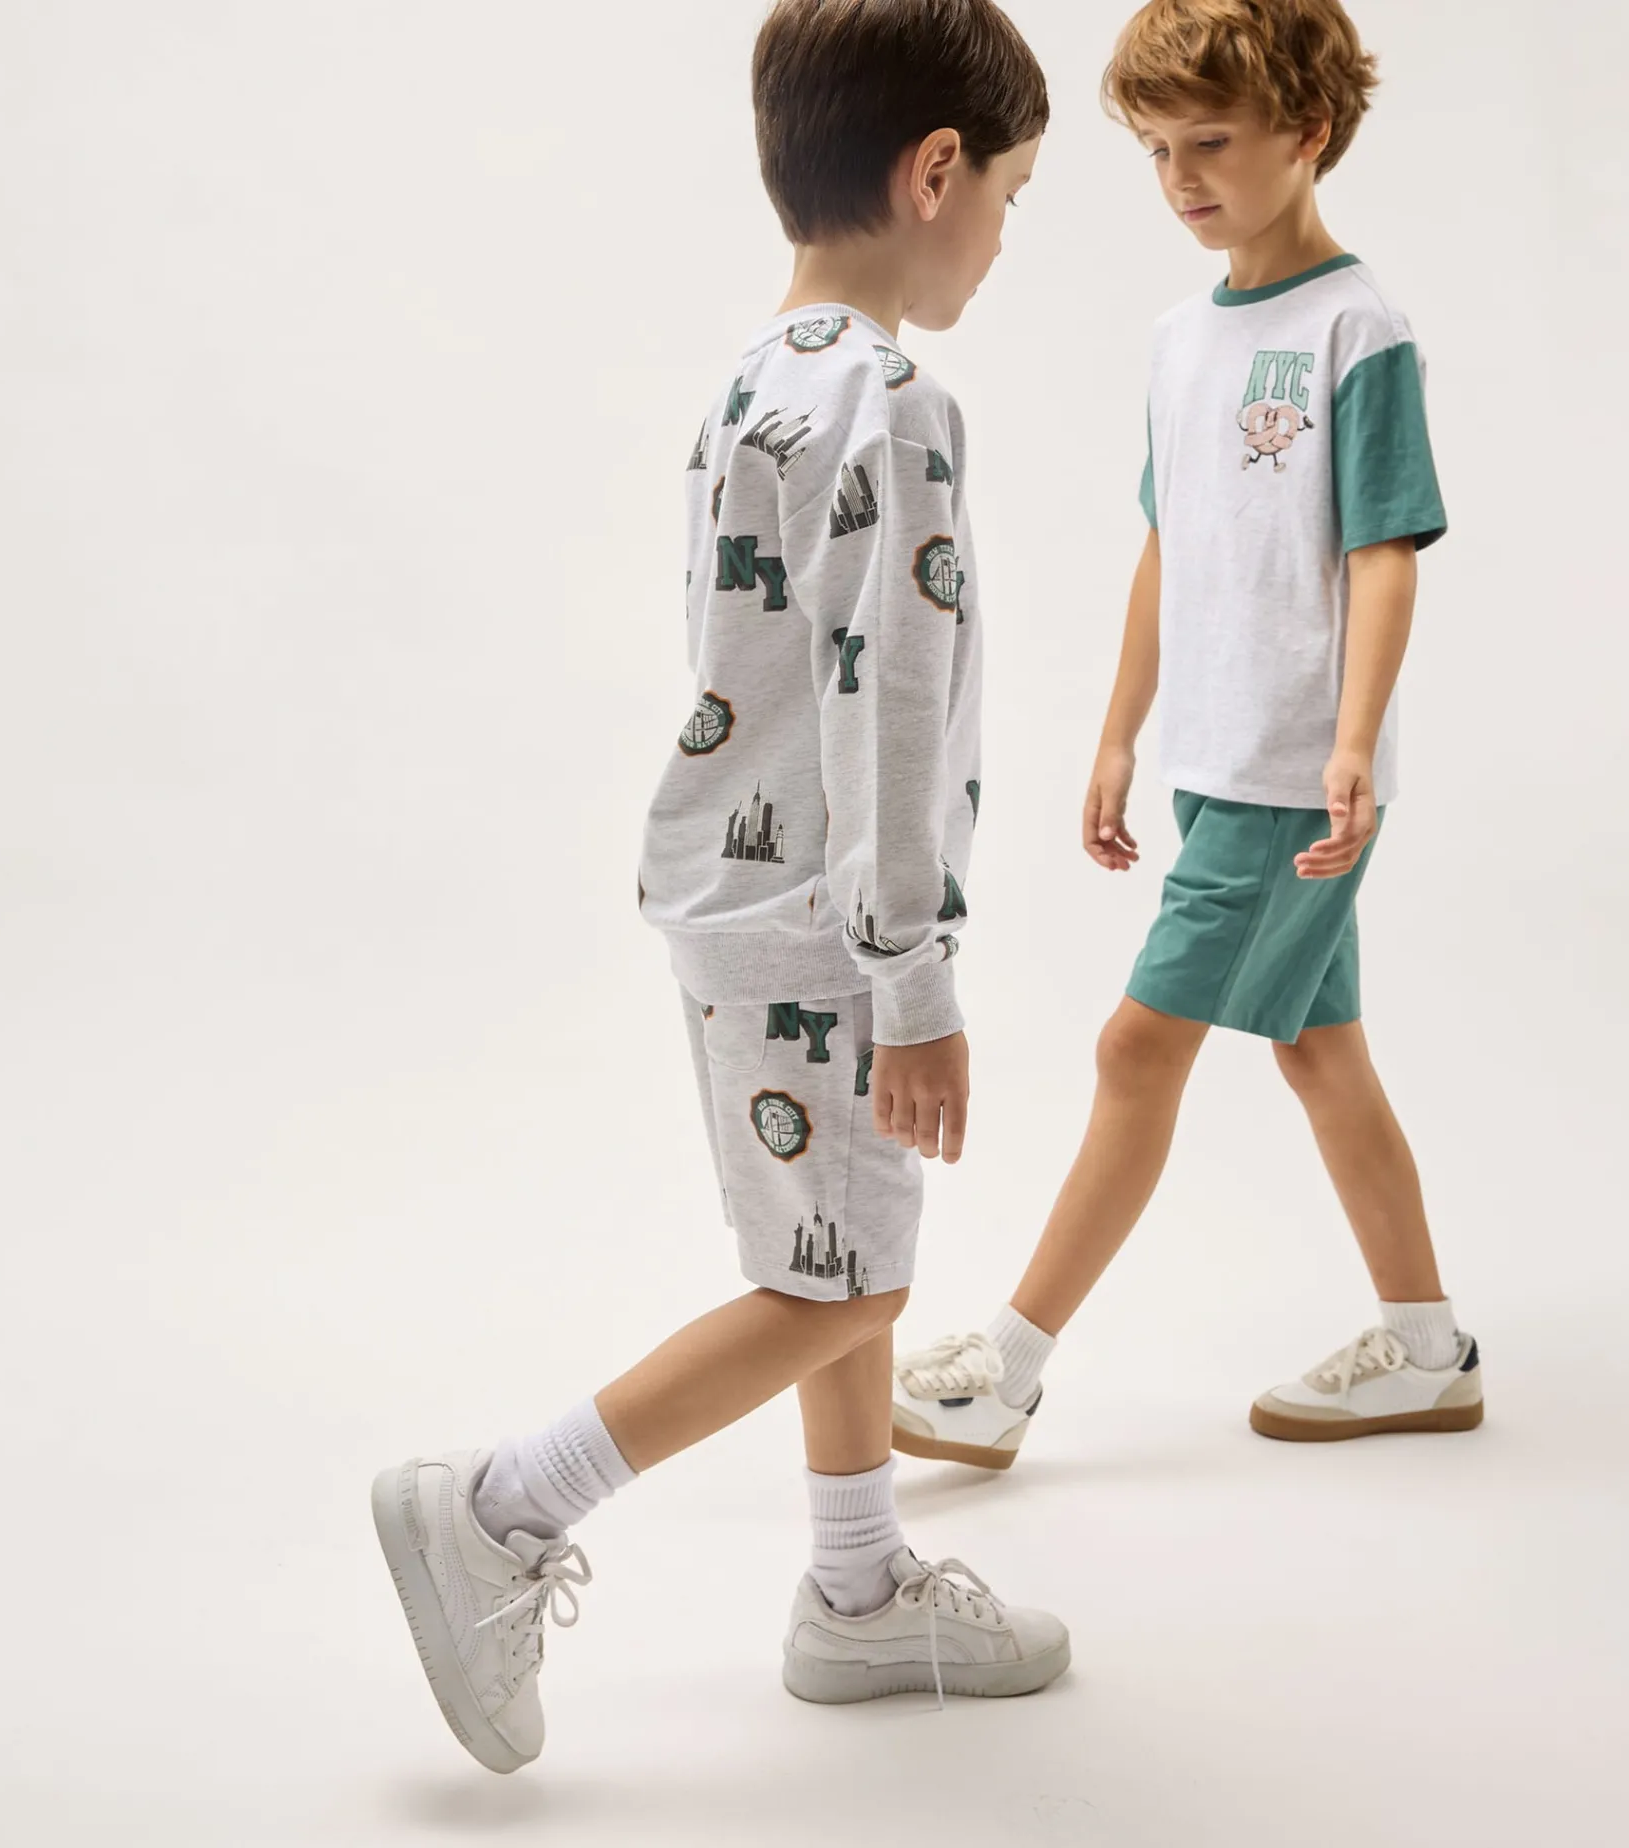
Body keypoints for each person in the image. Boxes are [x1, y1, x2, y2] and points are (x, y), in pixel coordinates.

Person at [371, 0, 1064, 1776]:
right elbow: (884, 708)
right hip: (828, 929)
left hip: (729, 900)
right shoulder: (894, 403)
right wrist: (913, 979)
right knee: (843, 1291)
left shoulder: (753, 382)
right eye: (1009, 196)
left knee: (835, 1250)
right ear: (934, 172)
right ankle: (501, 1507)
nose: (1004, 238)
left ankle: (858, 1590)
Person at [892, 0, 1481, 1473]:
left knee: (1135, 1047)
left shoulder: (1357, 330)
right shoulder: (1179, 339)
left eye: (1209, 142)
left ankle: (1005, 1374)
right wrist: (1117, 736)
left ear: (1309, 131)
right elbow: (1171, 545)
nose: (1180, 179)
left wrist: (1353, 745)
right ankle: (1428, 1351)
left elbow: (1385, 552)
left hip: (1295, 778)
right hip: (1213, 770)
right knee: (1322, 1055)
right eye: (1157, 151)